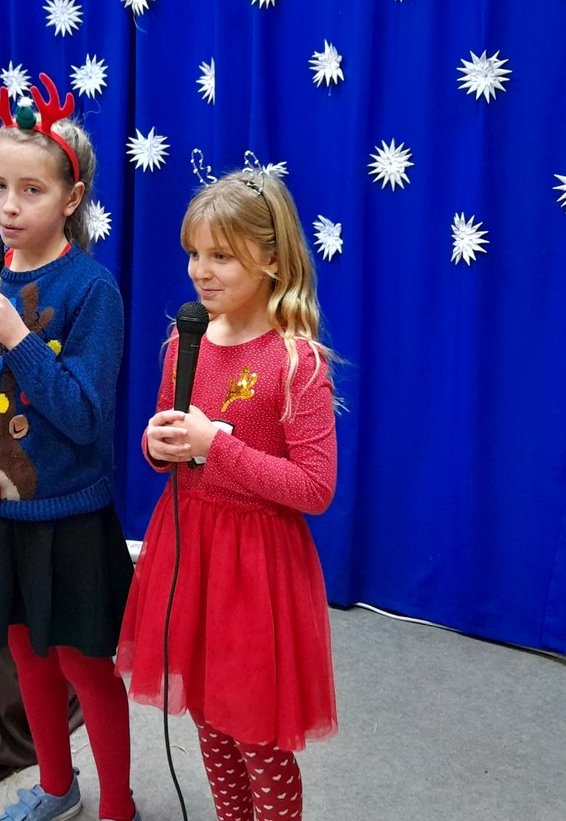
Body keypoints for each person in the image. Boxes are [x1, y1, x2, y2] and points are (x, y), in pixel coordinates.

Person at [0, 75, 138, 821]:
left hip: (66, 517)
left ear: (71, 198)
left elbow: (84, 415)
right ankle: (57, 785)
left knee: (84, 665)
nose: (9, 207)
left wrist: (19, 339)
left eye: (31, 190)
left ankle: (117, 804)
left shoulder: (91, 291)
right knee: (26, 656)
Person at [116, 169, 339, 821]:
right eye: (194, 253)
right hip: (190, 553)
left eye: (221, 256)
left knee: (256, 737)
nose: (200, 271)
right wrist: (158, 445)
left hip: (255, 571)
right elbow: (169, 443)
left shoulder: (296, 363)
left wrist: (217, 445)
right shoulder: (183, 343)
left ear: (272, 260)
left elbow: (315, 488)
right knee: (210, 724)